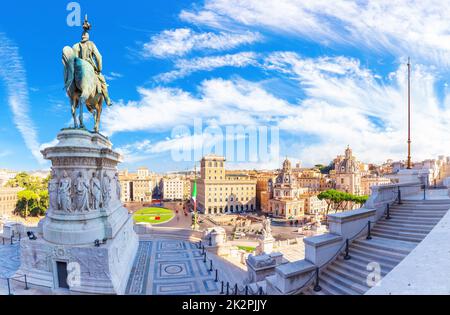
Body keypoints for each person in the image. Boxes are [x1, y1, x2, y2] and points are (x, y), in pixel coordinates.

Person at [72, 15, 112, 106]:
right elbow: (99, 57)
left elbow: (74, 58)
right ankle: (107, 99)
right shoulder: (91, 44)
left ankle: (76, 102)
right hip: (90, 66)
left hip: (79, 67)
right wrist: (99, 69)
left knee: (74, 81)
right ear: (87, 37)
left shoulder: (76, 45)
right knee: (103, 82)